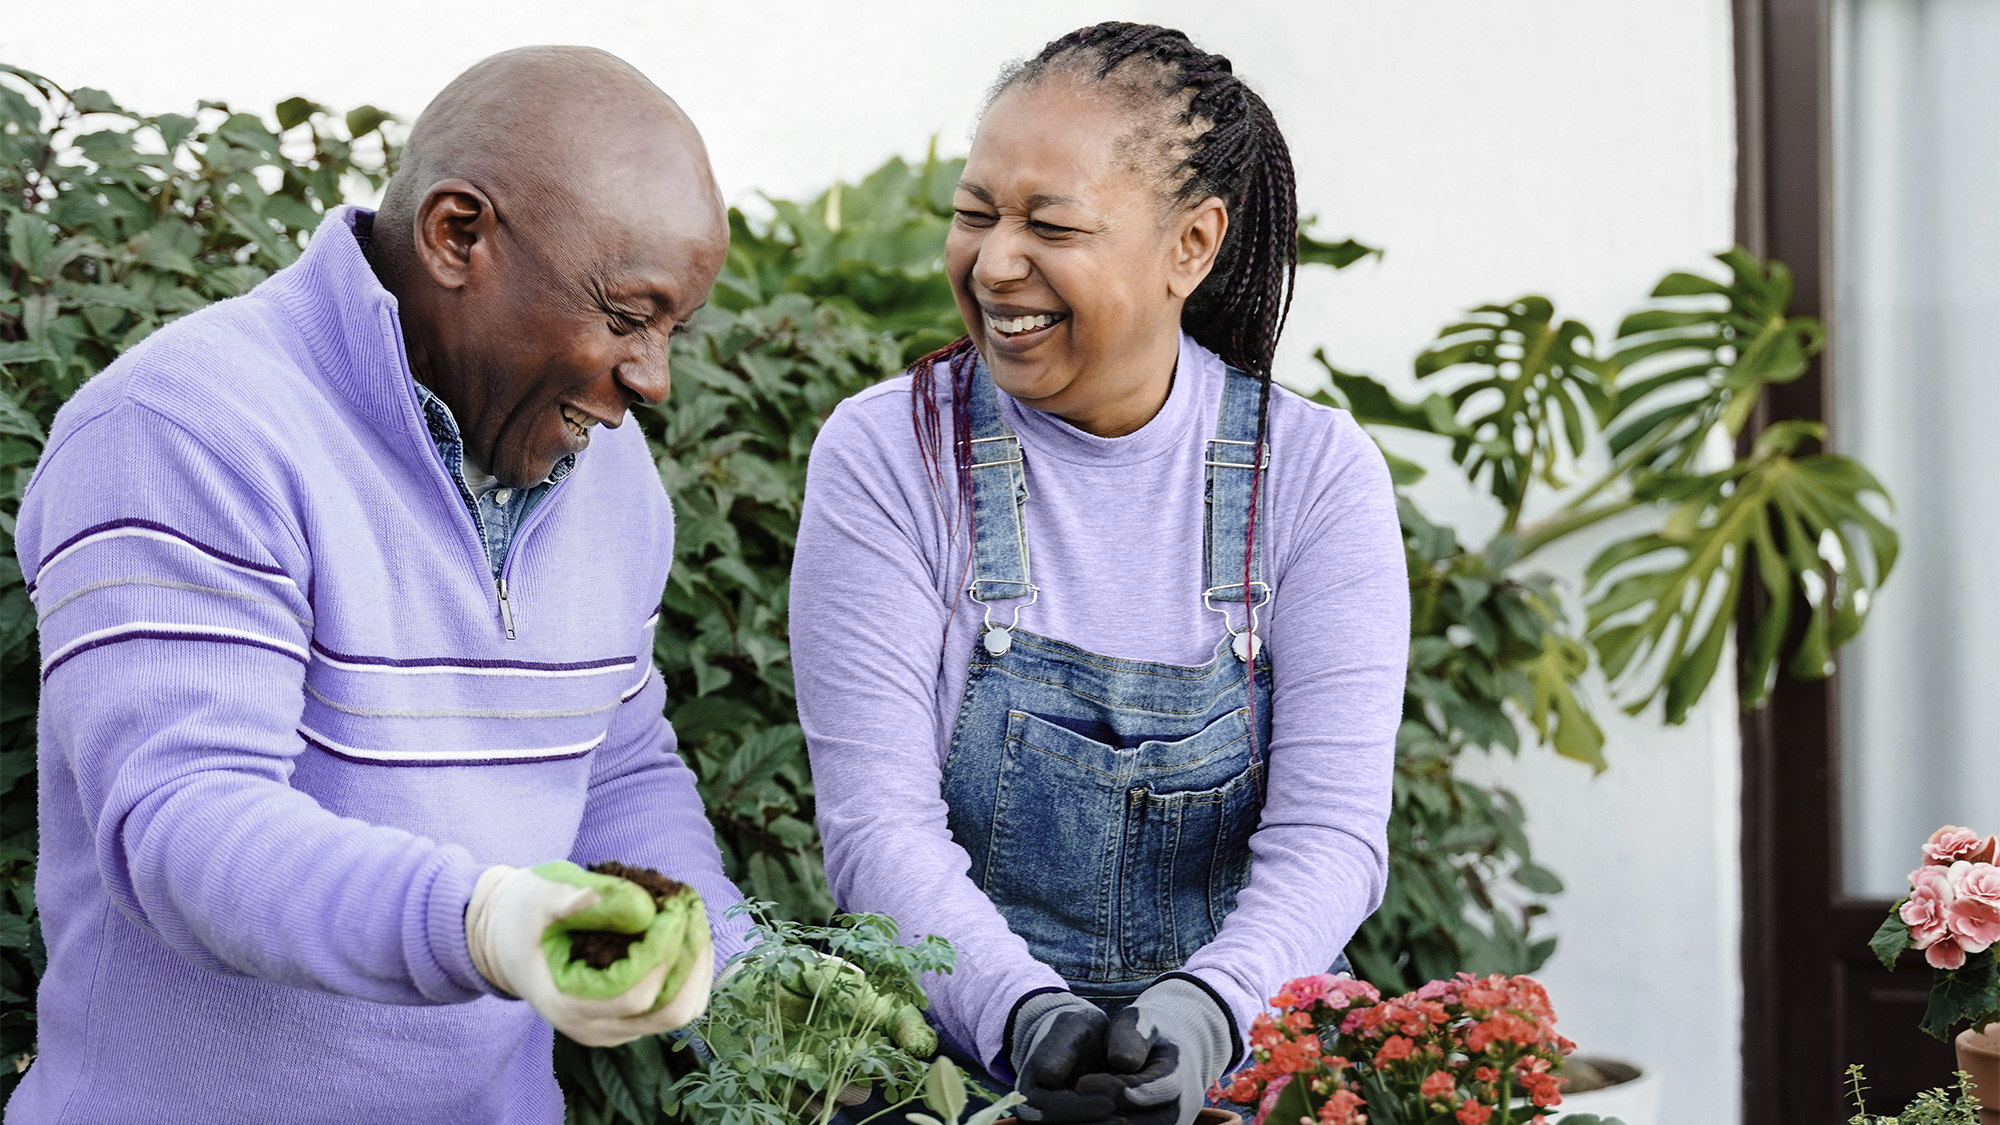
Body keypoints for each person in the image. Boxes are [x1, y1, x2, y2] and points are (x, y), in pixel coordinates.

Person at [11, 47, 748, 1122]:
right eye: (628, 315)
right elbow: (186, 824)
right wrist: (489, 924)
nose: (652, 378)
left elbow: (617, 767)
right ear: (459, 235)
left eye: (671, 330)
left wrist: (723, 956)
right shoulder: (188, 428)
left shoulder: (613, 476)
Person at [791, 23, 1407, 1125]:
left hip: (1232, 1069)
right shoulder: (891, 455)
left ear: (1191, 246)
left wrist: (1207, 1015)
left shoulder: (1311, 479)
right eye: (974, 213)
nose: (991, 264)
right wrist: (1030, 1018)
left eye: (1049, 224)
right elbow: (876, 829)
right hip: (953, 1077)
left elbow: (1330, 835)